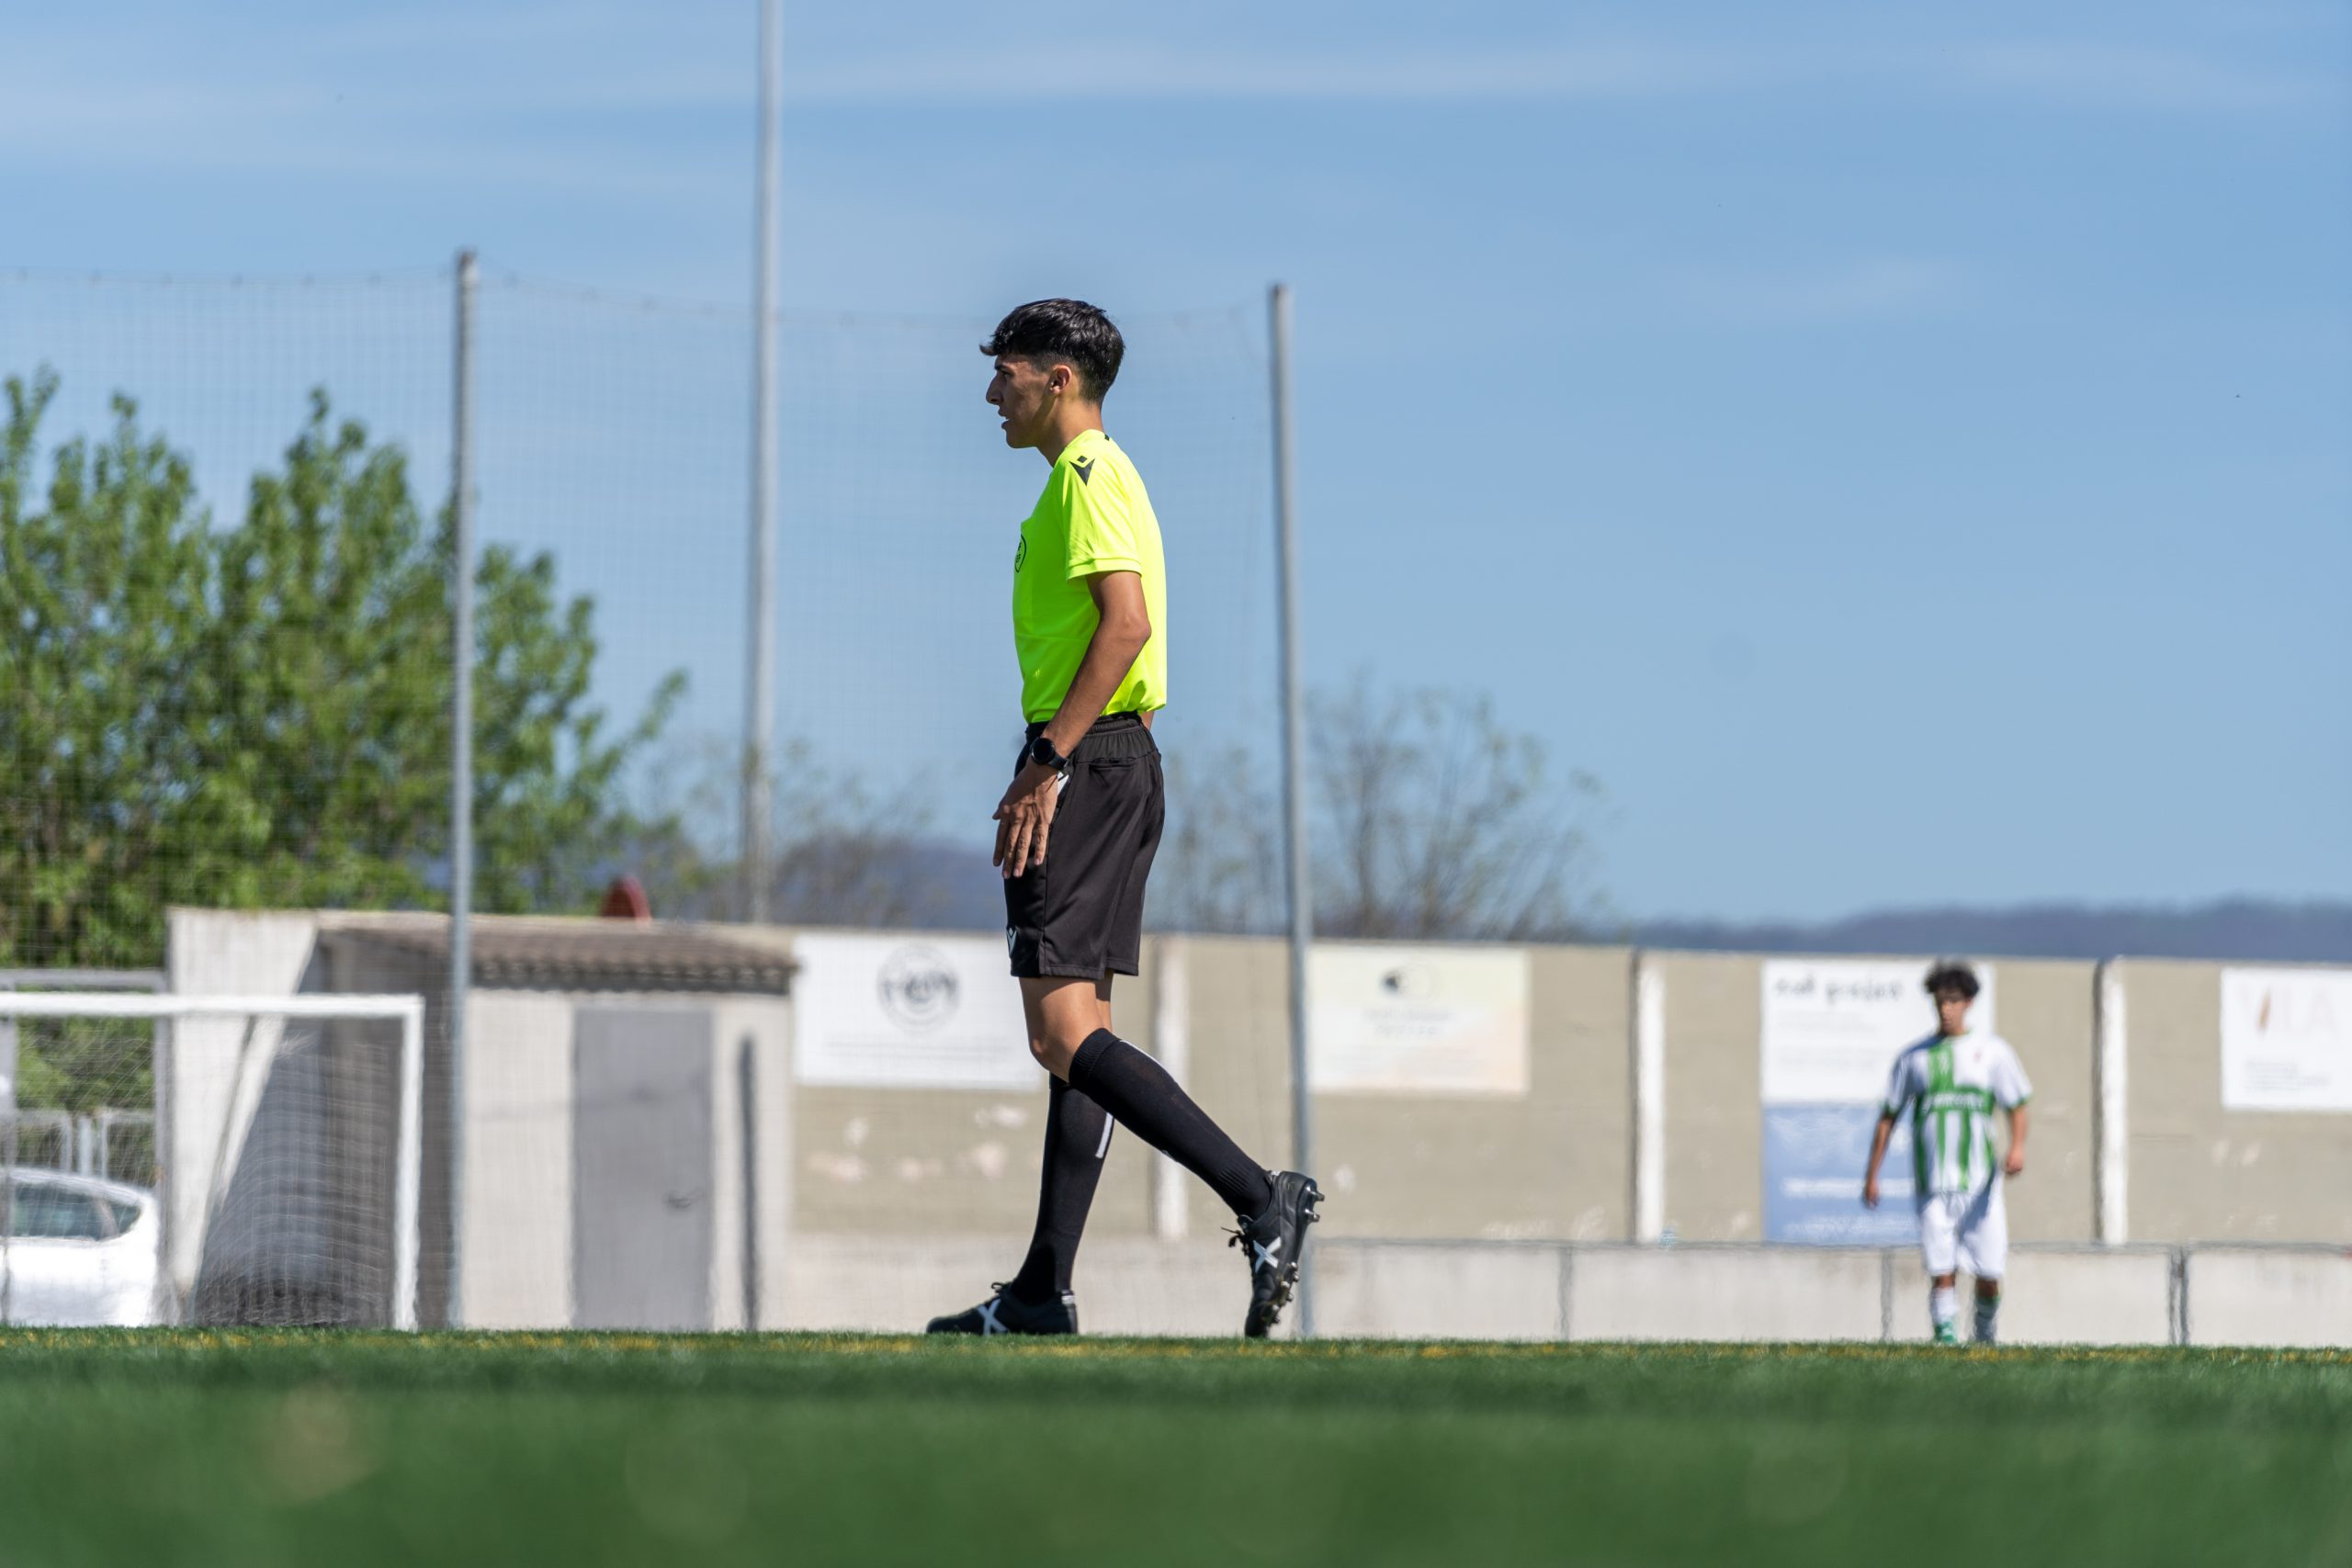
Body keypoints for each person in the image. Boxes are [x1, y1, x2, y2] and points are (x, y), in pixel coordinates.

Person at [926, 299, 1322, 1340]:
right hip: (1110, 761)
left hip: (1087, 762)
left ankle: (1260, 1196)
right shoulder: (1090, 480)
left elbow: (1126, 625)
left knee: (1059, 1033)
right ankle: (1041, 1291)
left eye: (1006, 371)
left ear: (1058, 378)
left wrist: (1047, 762)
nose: (991, 392)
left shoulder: (1088, 477)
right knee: (1080, 1036)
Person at [1862, 959, 2031, 1345]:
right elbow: (1888, 1117)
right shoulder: (1914, 1058)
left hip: (1980, 1182)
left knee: (1989, 1270)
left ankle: (1984, 1334)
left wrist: (2017, 1147)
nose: (1946, 1009)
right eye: (1940, 1001)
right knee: (1942, 1267)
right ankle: (1946, 1338)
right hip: (1933, 1180)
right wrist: (1872, 1175)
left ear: (1968, 1003)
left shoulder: (1992, 1052)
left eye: (1953, 1001)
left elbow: (2017, 1105)